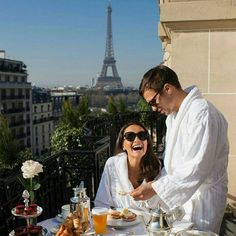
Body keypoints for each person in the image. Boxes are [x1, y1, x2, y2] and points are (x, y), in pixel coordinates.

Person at [130, 65, 229, 234]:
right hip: (184, 198)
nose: (153, 108)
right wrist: (154, 185)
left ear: (167, 88)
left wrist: (156, 188)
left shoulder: (202, 113)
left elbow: (197, 167)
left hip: (203, 200)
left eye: (153, 101)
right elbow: (174, 166)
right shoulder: (174, 117)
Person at [94, 121, 161, 210]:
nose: (137, 140)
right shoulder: (112, 164)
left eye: (142, 136)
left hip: (148, 222)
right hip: (118, 222)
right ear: (122, 145)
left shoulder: (158, 166)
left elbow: (163, 206)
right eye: (130, 136)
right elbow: (101, 203)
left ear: (147, 142)